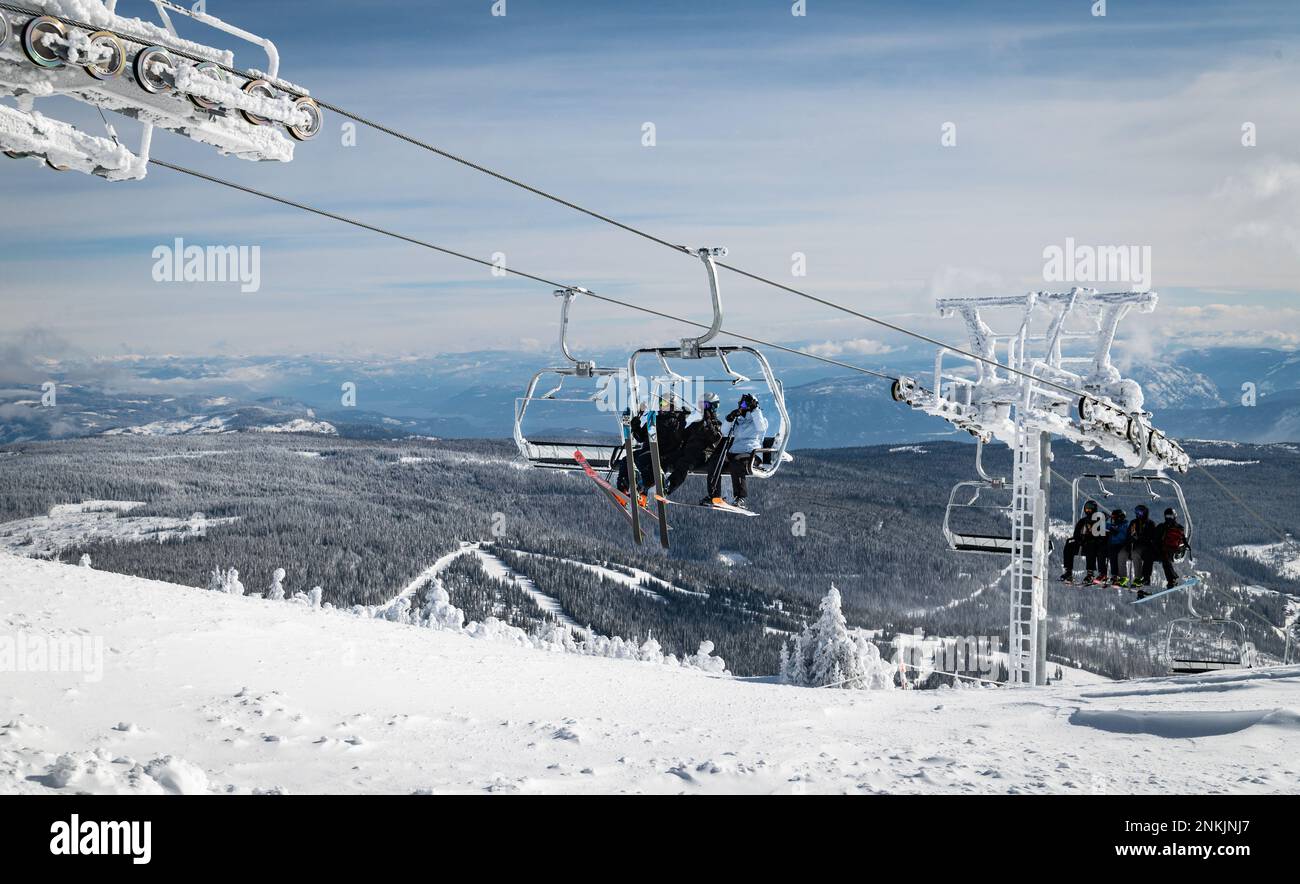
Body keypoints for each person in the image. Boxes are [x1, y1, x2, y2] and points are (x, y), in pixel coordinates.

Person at [706, 393, 769, 509]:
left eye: (745, 404)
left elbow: (761, 428)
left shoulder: (760, 420)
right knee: (715, 461)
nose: (742, 407)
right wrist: (730, 418)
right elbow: (724, 432)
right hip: (734, 451)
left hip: (751, 453)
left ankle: (740, 498)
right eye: (741, 404)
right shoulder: (738, 420)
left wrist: (755, 410)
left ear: (752, 405)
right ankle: (714, 496)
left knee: (736, 462)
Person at [663, 392, 724, 502]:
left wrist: (708, 422)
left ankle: (668, 487)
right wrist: (682, 419)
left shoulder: (716, 424)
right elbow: (681, 436)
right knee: (666, 458)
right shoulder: (697, 423)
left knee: (684, 464)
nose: (702, 408)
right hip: (687, 452)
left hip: (701, 455)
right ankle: (652, 483)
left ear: (713, 407)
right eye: (700, 405)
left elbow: (715, 438)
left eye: (705, 405)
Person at [1142, 507, 1189, 594]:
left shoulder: (1175, 528)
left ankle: (1172, 580)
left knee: (1164, 558)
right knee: (1148, 555)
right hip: (1163, 550)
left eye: (1170, 516)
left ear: (1174, 516)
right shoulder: (1165, 527)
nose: (1169, 518)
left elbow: (1180, 541)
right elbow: (1154, 538)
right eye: (1167, 516)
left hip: (1170, 552)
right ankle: (1146, 578)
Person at [1060, 499, 1105, 584]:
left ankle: (1090, 574)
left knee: (1091, 546)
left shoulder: (1099, 521)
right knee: (1069, 546)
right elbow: (1076, 533)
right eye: (1086, 509)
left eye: (1090, 509)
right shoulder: (1082, 521)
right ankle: (1068, 572)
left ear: (1094, 509)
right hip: (1082, 544)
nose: (1088, 511)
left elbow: (1101, 535)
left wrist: (1092, 539)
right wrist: (1079, 540)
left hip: (1093, 545)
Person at [1103, 508, 1128, 585]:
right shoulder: (1114, 525)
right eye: (1112, 518)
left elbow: (1124, 535)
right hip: (1113, 546)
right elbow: (1106, 525)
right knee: (1111, 556)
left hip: (1122, 546)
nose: (1113, 520)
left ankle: (1121, 577)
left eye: (1114, 518)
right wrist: (1104, 520)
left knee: (1117, 557)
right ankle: (1114, 575)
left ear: (1120, 517)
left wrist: (1115, 532)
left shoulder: (1125, 525)